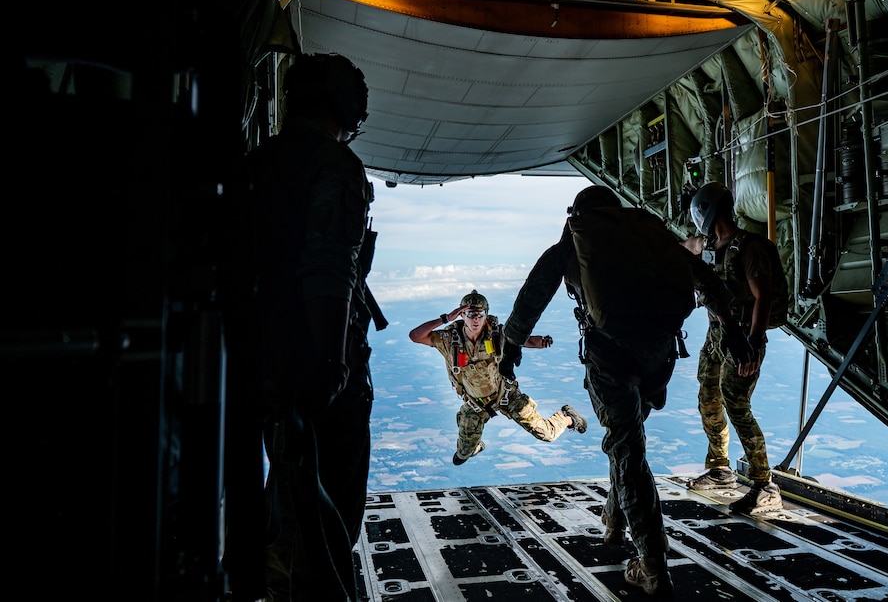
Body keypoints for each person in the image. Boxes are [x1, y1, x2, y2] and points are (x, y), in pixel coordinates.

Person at [501, 185, 753, 597]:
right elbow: (707, 281)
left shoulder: (577, 238)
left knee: (628, 449)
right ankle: (615, 521)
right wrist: (736, 337)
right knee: (627, 441)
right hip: (659, 357)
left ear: (578, 214)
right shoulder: (649, 235)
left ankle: (652, 565)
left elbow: (533, 295)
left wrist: (511, 348)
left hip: (611, 358)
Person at [244, 52, 377, 602]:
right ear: (343, 105)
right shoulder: (333, 164)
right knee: (326, 512)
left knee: (288, 495)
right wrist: (331, 361)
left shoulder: (259, 161)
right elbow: (329, 266)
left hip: (262, 356)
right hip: (315, 363)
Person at [684, 181, 784, 516]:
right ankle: (720, 469)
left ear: (705, 214)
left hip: (742, 338)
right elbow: (689, 246)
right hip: (716, 335)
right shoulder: (712, 245)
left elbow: (763, 298)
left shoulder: (749, 249)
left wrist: (752, 345)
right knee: (708, 397)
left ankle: (764, 485)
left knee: (736, 404)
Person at [408, 289, 588, 465]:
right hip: (475, 403)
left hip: (506, 396)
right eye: (470, 314)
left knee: (547, 434)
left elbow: (522, 340)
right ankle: (475, 446)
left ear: (486, 314)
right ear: (462, 315)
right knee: (463, 455)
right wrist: (446, 318)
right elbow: (415, 336)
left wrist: (541, 342)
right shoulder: (449, 340)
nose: (476, 319)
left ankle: (567, 417)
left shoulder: (496, 335)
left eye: (480, 314)